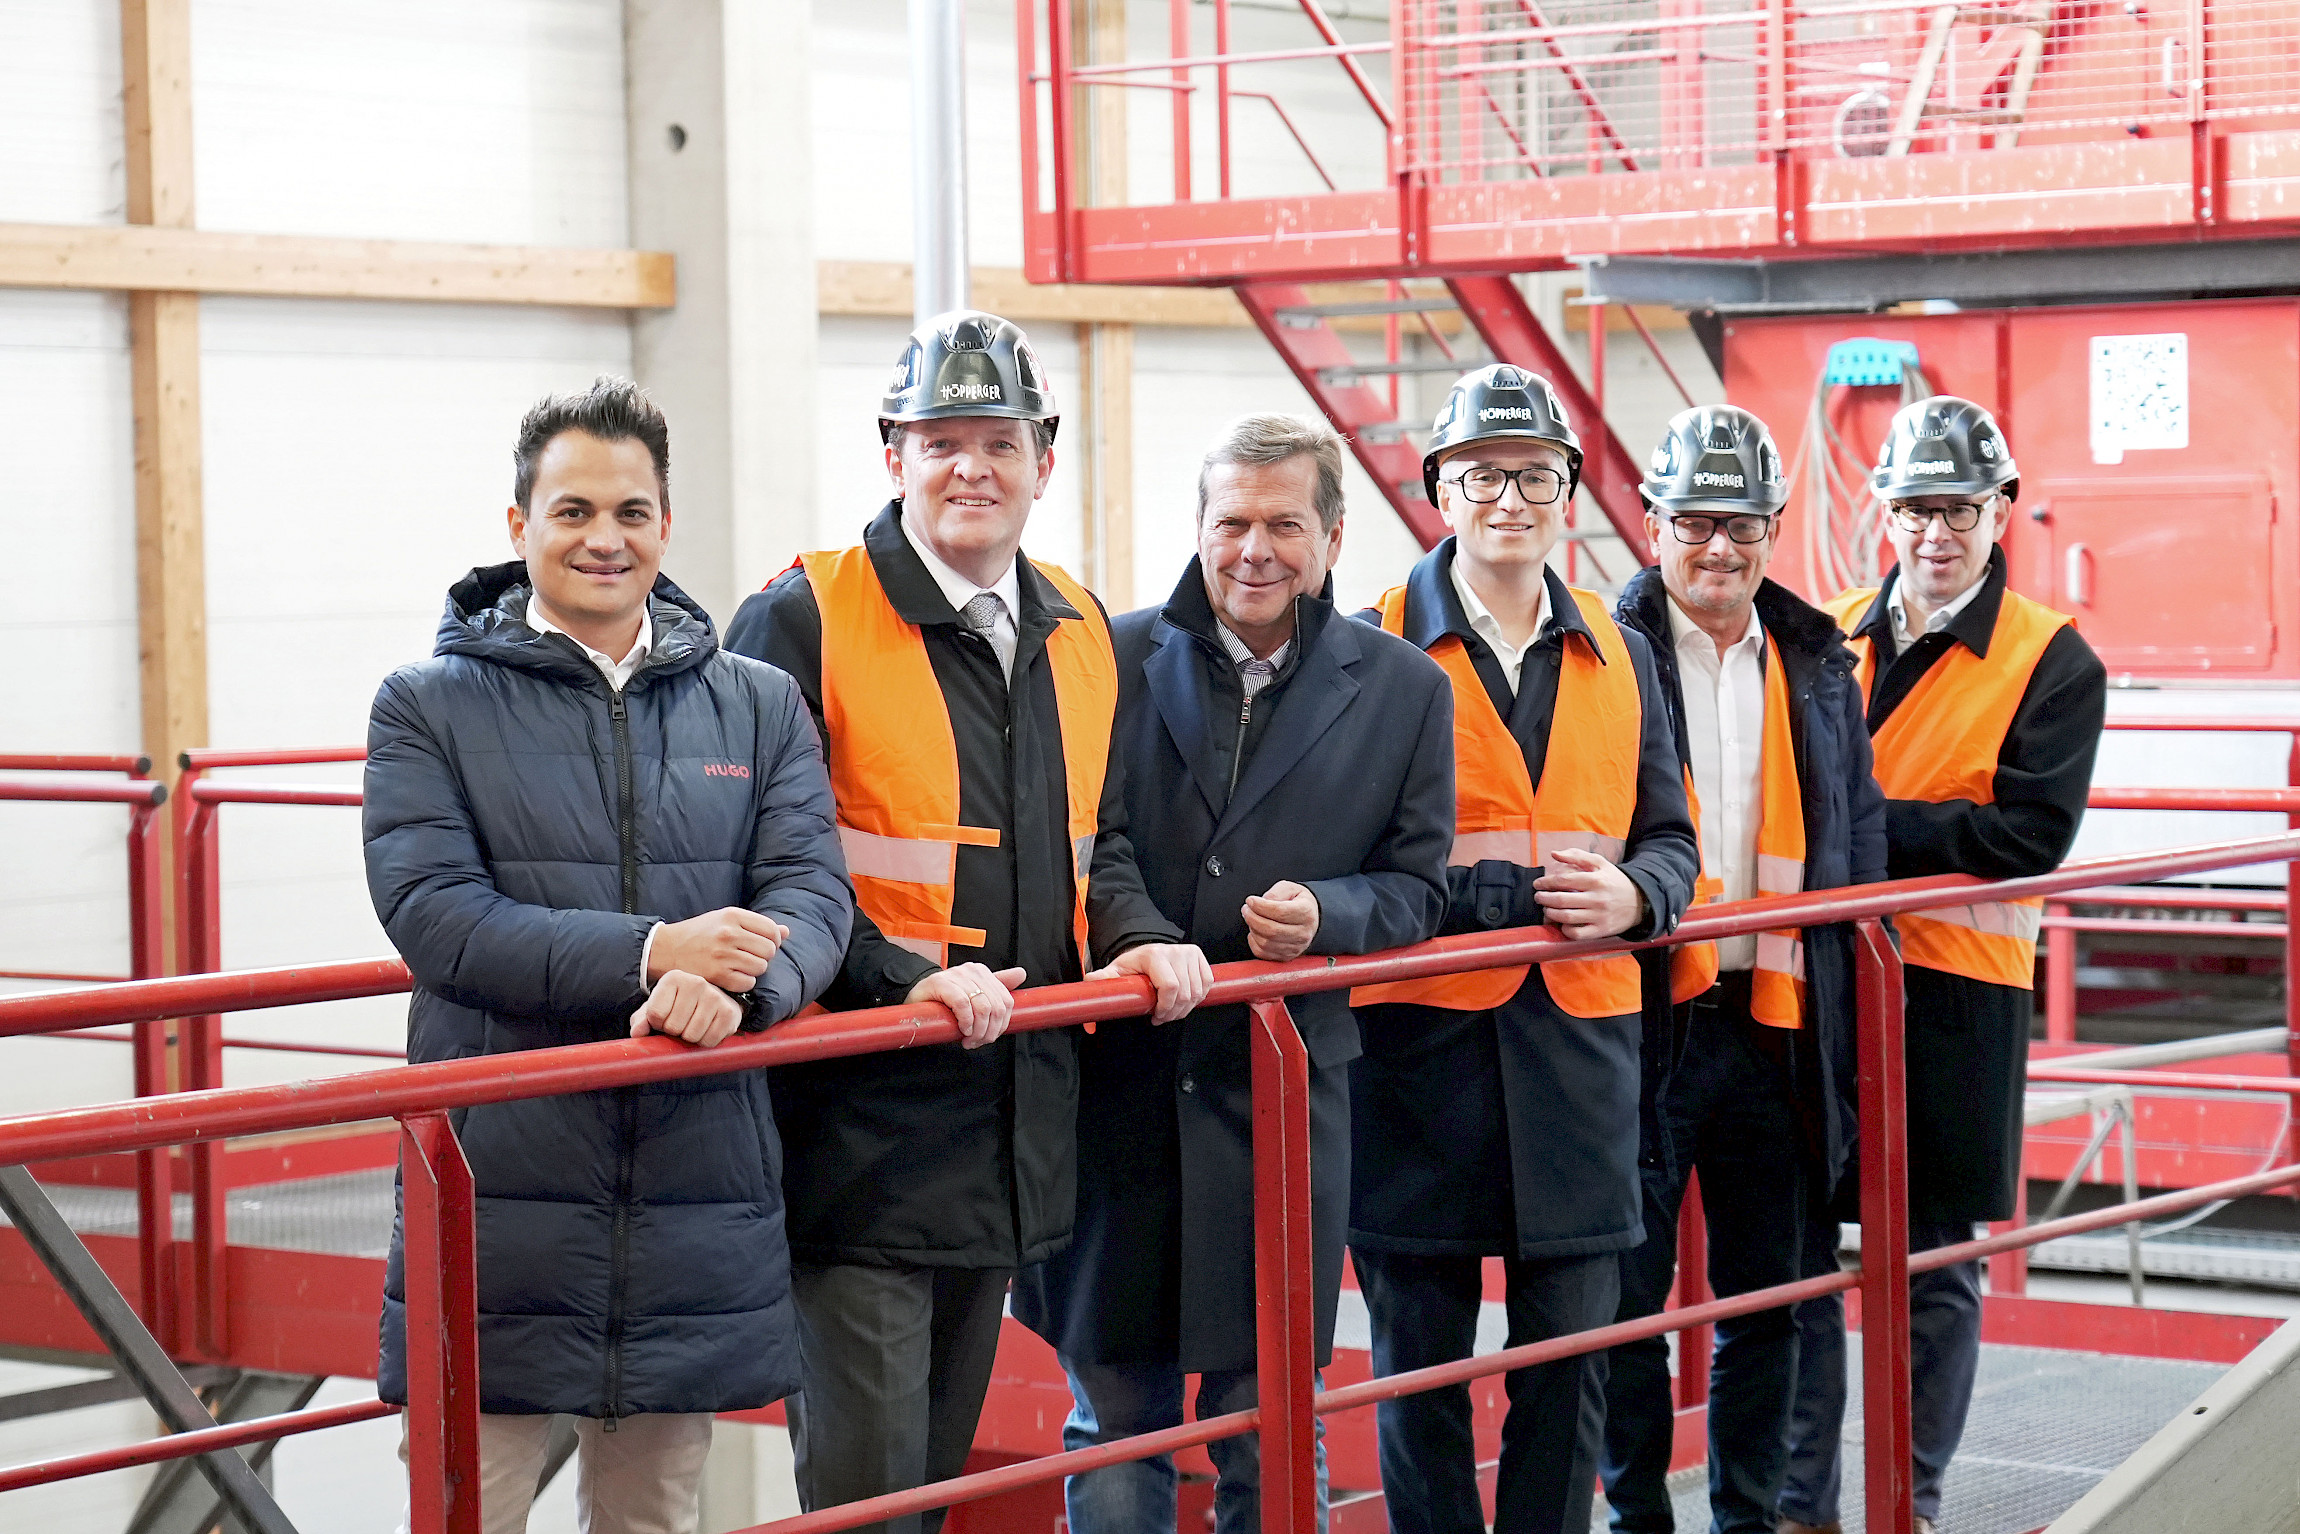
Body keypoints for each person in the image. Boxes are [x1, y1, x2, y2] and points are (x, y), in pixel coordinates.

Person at [725, 310, 1210, 1534]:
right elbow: (764, 866)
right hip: (858, 1130)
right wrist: (901, 984)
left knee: (933, 1491)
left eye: (999, 440)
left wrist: (1141, 932)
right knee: (869, 1502)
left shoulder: (1081, 630)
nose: (970, 468)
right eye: (939, 439)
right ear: (891, 454)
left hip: (1012, 1125)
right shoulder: (803, 618)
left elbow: (1096, 852)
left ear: (1045, 459)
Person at [364, 377, 853, 1534]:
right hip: (495, 1192)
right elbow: (436, 913)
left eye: (631, 512)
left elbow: (812, 895)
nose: (603, 537)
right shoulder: (427, 705)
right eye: (572, 509)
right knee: (463, 1508)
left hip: (692, 1181)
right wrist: (651, 953)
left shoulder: (758, 704)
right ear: (518, 525)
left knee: (654, 1516)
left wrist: (740, 993)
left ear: (666, 525)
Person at [1011, 413, 1454, 1534]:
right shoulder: (1103, 655)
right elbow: (1083, 833)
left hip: (1283, 1101)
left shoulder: (1405, 689)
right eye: (1230, 523)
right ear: (1197, 529)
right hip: (1125, 1082)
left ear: (1333, 536)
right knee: (1114, 1416)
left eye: (1283, 525)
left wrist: (1329, 913)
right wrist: (1142, 939)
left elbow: (1415, 887)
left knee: (1271, 1416)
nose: (1253, 550)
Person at [1339, 365, 1700, 1534]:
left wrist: (1640, 900)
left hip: (1582, 1056)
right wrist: (1499, 896)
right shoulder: (1363, 646)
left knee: (1570, 1366)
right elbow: (1340, 859)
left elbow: (1669, 838)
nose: (1510, 498)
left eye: (1535, 475)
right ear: (1438, 486)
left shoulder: (1622, 648)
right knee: (1419, 1373)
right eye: (1482, 474)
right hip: (1414, 1059)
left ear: (1568, 493)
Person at [1778, 396, 2106, 1534]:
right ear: (1882, 508)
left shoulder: (2048, 658)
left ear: (1999, 509)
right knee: (1798, 1265)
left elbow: (2025, 837)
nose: (1934, 532)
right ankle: (1799, 1505)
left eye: (1957, 509)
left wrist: (1858, 826)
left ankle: (1902, 1505)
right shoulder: (1819, 635)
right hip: (1812, 989)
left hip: (1954, 998)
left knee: (1929, 1269)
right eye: (1914, 507)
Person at [1600, 405, 1888, 1534]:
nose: (1717, 548)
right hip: (1642, 1021)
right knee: (1621, 1304)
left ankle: (1746, 1516)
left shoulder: (1816, 661)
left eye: (1742, 525)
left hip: (1774, 1019)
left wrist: (1846, 1014)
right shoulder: (1601, 648)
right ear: (1650, 520)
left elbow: (1853, 837)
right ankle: (1634, 1515)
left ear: (1773, 527)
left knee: (1767, 1296)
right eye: (1693, 522)